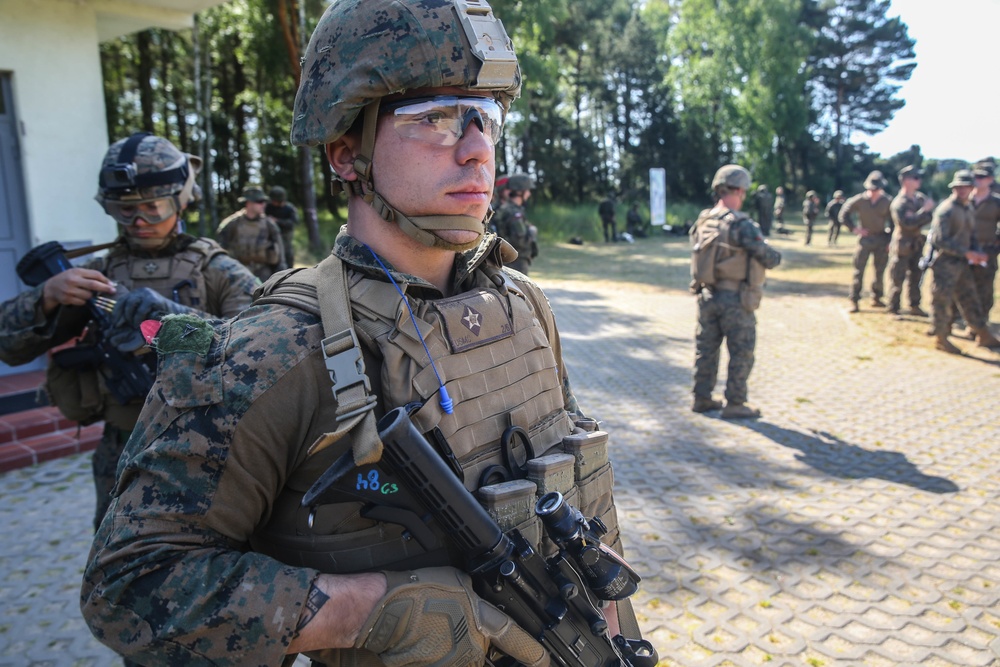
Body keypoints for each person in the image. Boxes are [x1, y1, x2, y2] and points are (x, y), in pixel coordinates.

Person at [81, 2, 645, 666]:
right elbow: (129, 583)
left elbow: (574, 478)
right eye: (433, 118)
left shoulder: (521, 303)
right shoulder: (275, 348)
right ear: (346, 152)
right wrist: (368, 610)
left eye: (484, 118)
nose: (475, 149)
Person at [0, 132, 258, 535]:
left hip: (202, 446)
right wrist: (46, 297)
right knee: (115, 559)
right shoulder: (95, 277)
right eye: (124, 210)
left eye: (152, 208)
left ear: (181, 200)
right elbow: (10, 347)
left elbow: (259, 352)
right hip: (121, 446)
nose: (138, 222)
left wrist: (175, 321)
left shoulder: (217, 270)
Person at [689, 165, 782, 419]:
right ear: (740, 190)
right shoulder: (742, 224)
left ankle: (702, 397)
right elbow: (770, 258)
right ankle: (735, 402)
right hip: (735, 300)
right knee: (741, 351)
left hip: (706, 295)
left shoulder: (704, 219)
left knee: (706, 348)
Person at [925, 170, 1000, 353]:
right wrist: (967, 252)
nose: (962, 190)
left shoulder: (968, 208)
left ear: (971, 188)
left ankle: (982, 333)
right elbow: (939, 240)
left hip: (962, 262)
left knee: (970, 298)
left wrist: (977, 252)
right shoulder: (946, 210)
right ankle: (941, 338)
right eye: (958, 187)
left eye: (966, 187)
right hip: (945, 263)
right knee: (942, 300)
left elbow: (972, 234)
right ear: (954, 188)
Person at [839, 171, 893, 313]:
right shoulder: (860, 200)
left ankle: (877, 297)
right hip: (865, 239)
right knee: (859, 270)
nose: (874, 192)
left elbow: (894, 222)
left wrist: (890, 241)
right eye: (871, 189)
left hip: (881, 238)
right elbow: (843, 214)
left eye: (877, 189)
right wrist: (854, 229)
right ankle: (855, 300)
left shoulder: (887, 201)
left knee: (879, 271)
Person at [886, 165, 934, 316]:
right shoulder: (899, 202)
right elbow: (906, 223)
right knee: (898, 276)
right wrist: (922, 212)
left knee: (916, 275)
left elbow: (929, 218)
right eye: (916, 178)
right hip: (902, 244)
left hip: (917, 243)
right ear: (906, 181)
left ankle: (914, 305)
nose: (919, 181)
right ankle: (893, 306)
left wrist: (917, 216)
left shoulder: (919, 198)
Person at [217, 185, 287, 281]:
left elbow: (280, 249)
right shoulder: (232, 223)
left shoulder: (269, 224)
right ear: (248, 203)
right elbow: (220, 248)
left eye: (264, 201)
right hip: (238, 272)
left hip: (264, 272)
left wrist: (281, 269)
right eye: (259, 202)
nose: (263, 204)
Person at [493, 172, 538, 274]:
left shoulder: (506, 209)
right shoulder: (514, 212)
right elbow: (519, 241)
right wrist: (532, 232)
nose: (529, 194)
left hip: (509, 261)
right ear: (520, 191)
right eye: (528, 191)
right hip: (516, 263)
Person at [971, 164, 1000, 321]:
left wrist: (995, 247)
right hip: (965, 250)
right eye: (976, 177)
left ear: (990, 180)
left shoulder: (996, 202)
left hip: (987, 251)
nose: (978, 181)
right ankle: (959, 319)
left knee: (985, 289)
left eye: (982, 178)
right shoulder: (964, 199)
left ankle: (981, 322)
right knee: (962, 286)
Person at [266, 185, 300, 269]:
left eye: (274, 200)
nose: (273, 202)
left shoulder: (289, 208)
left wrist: (277, 221)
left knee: (287, 255)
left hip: (286, 236)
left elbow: (293, 222)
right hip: (271, 237)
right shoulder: (268, 207)